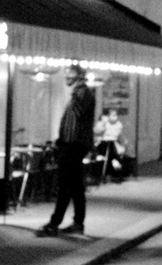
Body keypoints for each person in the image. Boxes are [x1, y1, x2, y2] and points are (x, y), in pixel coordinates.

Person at [39, 66, 96, 237]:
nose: (66, 76)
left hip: (73, 146)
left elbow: (75, 117)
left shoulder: (82, 93)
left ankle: (56, 223)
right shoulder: (79, 93)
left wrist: (64, 142)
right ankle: (76, 222)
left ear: (78, 76)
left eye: (69, 73)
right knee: (74, 186)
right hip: (72, 145)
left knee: (66, 185)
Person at [92, 108, 126, 182]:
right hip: (103, 144)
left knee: (113, 148)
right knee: (106, 149)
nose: (114, 117)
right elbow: (96, 131)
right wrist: (103, 123)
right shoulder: (104, 123)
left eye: (115, 115)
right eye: (112, 115)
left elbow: (118, 136)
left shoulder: (118, 125)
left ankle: (113, 173)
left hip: (113, 144)